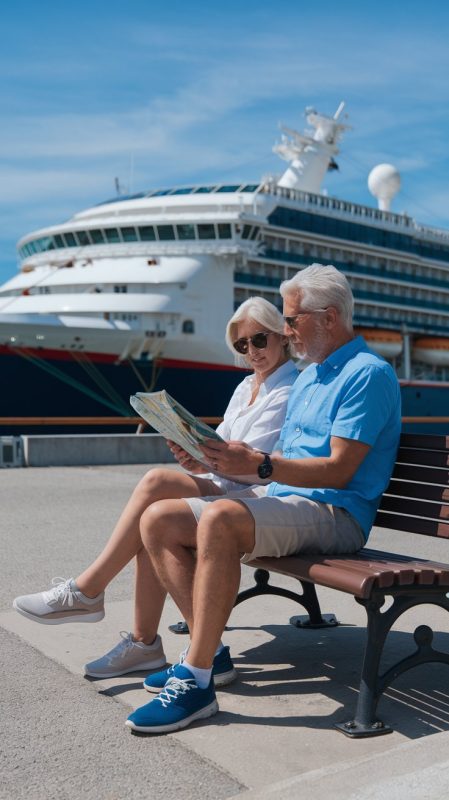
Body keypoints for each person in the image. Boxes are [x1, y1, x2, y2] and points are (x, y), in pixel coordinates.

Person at [123, 263, 401, 734]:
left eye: (292, 320)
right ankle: (207, 657)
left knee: (220, 521)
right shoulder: (312, 377)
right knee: (158, 520)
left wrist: (257, 465)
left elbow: (339, 470)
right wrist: (218, 460)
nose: (286, 331)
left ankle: (196, 678)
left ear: (328, 318)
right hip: (286, 501)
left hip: (335, 512)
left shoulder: (366, 374)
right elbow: (277, 459)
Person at [13, 297, 298, 680]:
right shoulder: (245, 386)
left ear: (281, 336)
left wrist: (214, 461)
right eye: (242, 345)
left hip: (256, 500)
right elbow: (225, 452)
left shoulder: (292, 388)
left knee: (157, 485)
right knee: (157, 499)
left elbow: (263, 464)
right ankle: (141, 641)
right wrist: (196, 456)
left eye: (259, 340)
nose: (252, 352)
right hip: (224, 485)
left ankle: (90, 594)